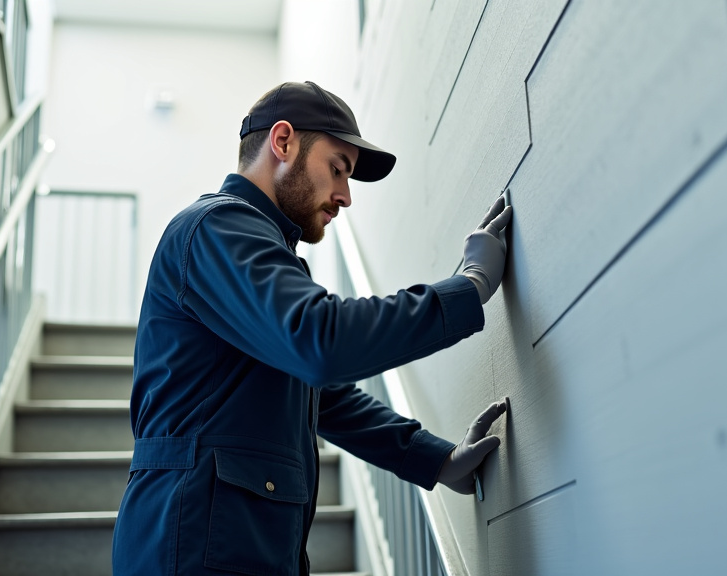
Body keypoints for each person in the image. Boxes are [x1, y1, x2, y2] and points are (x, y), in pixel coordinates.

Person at [111, 81, 513, 576]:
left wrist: (435, 460)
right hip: (194, 544)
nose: (345, 196)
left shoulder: (259, 250)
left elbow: (321, 392)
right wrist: (468, 289)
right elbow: (321, 341)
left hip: (230, 542)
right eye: (337, 169)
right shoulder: (219, 228)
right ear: (282, 143)